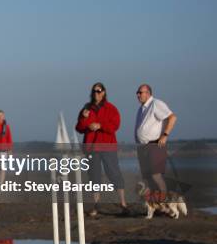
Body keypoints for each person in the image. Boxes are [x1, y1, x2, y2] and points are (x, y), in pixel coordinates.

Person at [75, 82, 128, 216]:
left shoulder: (111, 108)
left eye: (98, 91)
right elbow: (79, 128)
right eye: (94, 91)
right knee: (94, 176)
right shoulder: (86, 108)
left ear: (104, 92)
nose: (96, 94)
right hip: (91, 147)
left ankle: (123, 203)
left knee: (114, 173)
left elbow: (115, 125)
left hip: (107, 146)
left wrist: (100, 125)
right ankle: (96, 206)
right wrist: (83, 119)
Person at [134, 84, 177, 200]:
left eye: (140, 92)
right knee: (148, 177)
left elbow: (172, 117)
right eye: (137, 92)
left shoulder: (156, 104)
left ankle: (165, 202)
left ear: (148, 93)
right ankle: (156, 204)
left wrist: (165, 135)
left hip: (155, 145)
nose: (138, 95)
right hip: (143, 147)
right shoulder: (141, 108)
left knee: (156, 175)